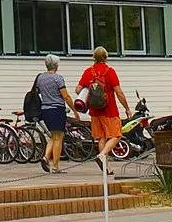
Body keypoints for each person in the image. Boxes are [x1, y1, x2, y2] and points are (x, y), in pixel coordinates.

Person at [77, 45, 126, 177]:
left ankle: (106, 168)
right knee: (116, 135)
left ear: (94, 57)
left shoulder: (88, 72)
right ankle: (102, 155)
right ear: (106, 57)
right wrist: (127, 108)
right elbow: (119, 92)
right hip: (109, 110)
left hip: (94, 111)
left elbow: (78, 89)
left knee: (101, 138)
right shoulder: (110, 71)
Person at [33, 54, 71, 173]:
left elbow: (37, 92)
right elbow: (65, 95)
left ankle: (45, 157)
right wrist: (74, 109)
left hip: (45, 110)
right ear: (56, 65)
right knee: (59, 137)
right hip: (57, 109)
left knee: (53, 136)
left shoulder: (40, 78)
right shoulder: (58, 78)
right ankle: (55, 166)